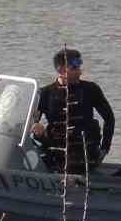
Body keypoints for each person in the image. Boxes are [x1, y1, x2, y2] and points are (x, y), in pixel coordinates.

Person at [30, 47, 115, 175]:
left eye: (80, 66)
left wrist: (104, 149)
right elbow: (31, 123)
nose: (80, 72)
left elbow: (109, 118)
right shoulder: (45, 93)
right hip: (55, 154)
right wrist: (37, 131)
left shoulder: (91, 89)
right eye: (75, 67)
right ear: (61, 69)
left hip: (85, 156)